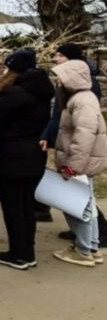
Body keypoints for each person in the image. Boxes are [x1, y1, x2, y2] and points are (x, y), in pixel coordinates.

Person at [0, 49, 54, 270]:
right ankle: (26, 251)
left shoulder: (14, 94)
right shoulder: (42, 92)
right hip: (33, 156)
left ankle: (19, 254)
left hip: (10, 156)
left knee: (13, 207)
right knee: (26, 206)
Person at [42, 44, 107, 243]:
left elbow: (84, 130)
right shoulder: (69, 87)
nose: (56, 58)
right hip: (71, 150)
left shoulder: (83, 94)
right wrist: (49, 134)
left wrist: (74, 166)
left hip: (79, 156)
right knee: (78, 197)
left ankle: (90, 243)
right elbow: (59, 117)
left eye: (60, 55)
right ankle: (88, 240)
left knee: (82, 198)